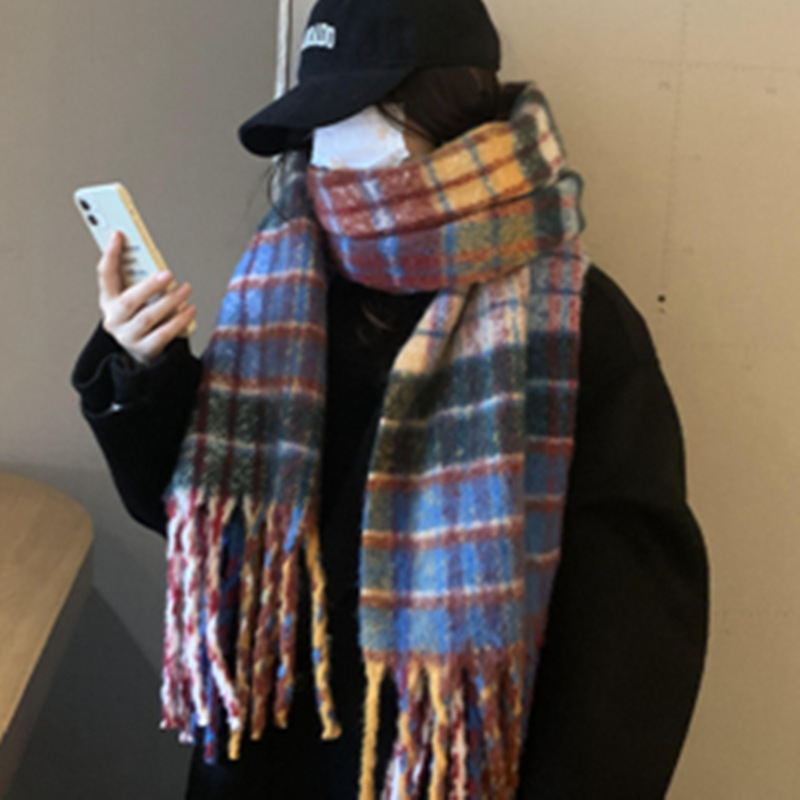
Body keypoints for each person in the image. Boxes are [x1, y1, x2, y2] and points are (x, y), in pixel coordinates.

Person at [70, 0, 710, 797]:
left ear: (450, 109)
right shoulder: (286, 282)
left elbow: (633, 639)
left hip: (446, 768)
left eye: (359, 115)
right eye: (320, 123)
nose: (328, 151)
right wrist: (144, 365)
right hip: (263, 757)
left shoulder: (573, 324)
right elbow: (195, 521)